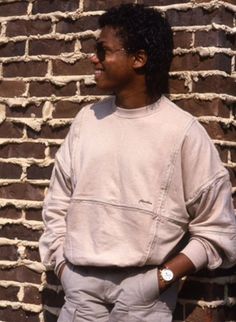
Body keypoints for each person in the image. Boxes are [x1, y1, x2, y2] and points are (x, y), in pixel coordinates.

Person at [39, 4, 236, 322]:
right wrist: (64, 270)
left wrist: (158, 282)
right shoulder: (87, 120)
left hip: (142, 300)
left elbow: (217, 229)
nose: (93, 58)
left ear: (139, 59)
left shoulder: (183, 132)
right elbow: (57, 203)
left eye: (103, 51)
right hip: (79, 293)